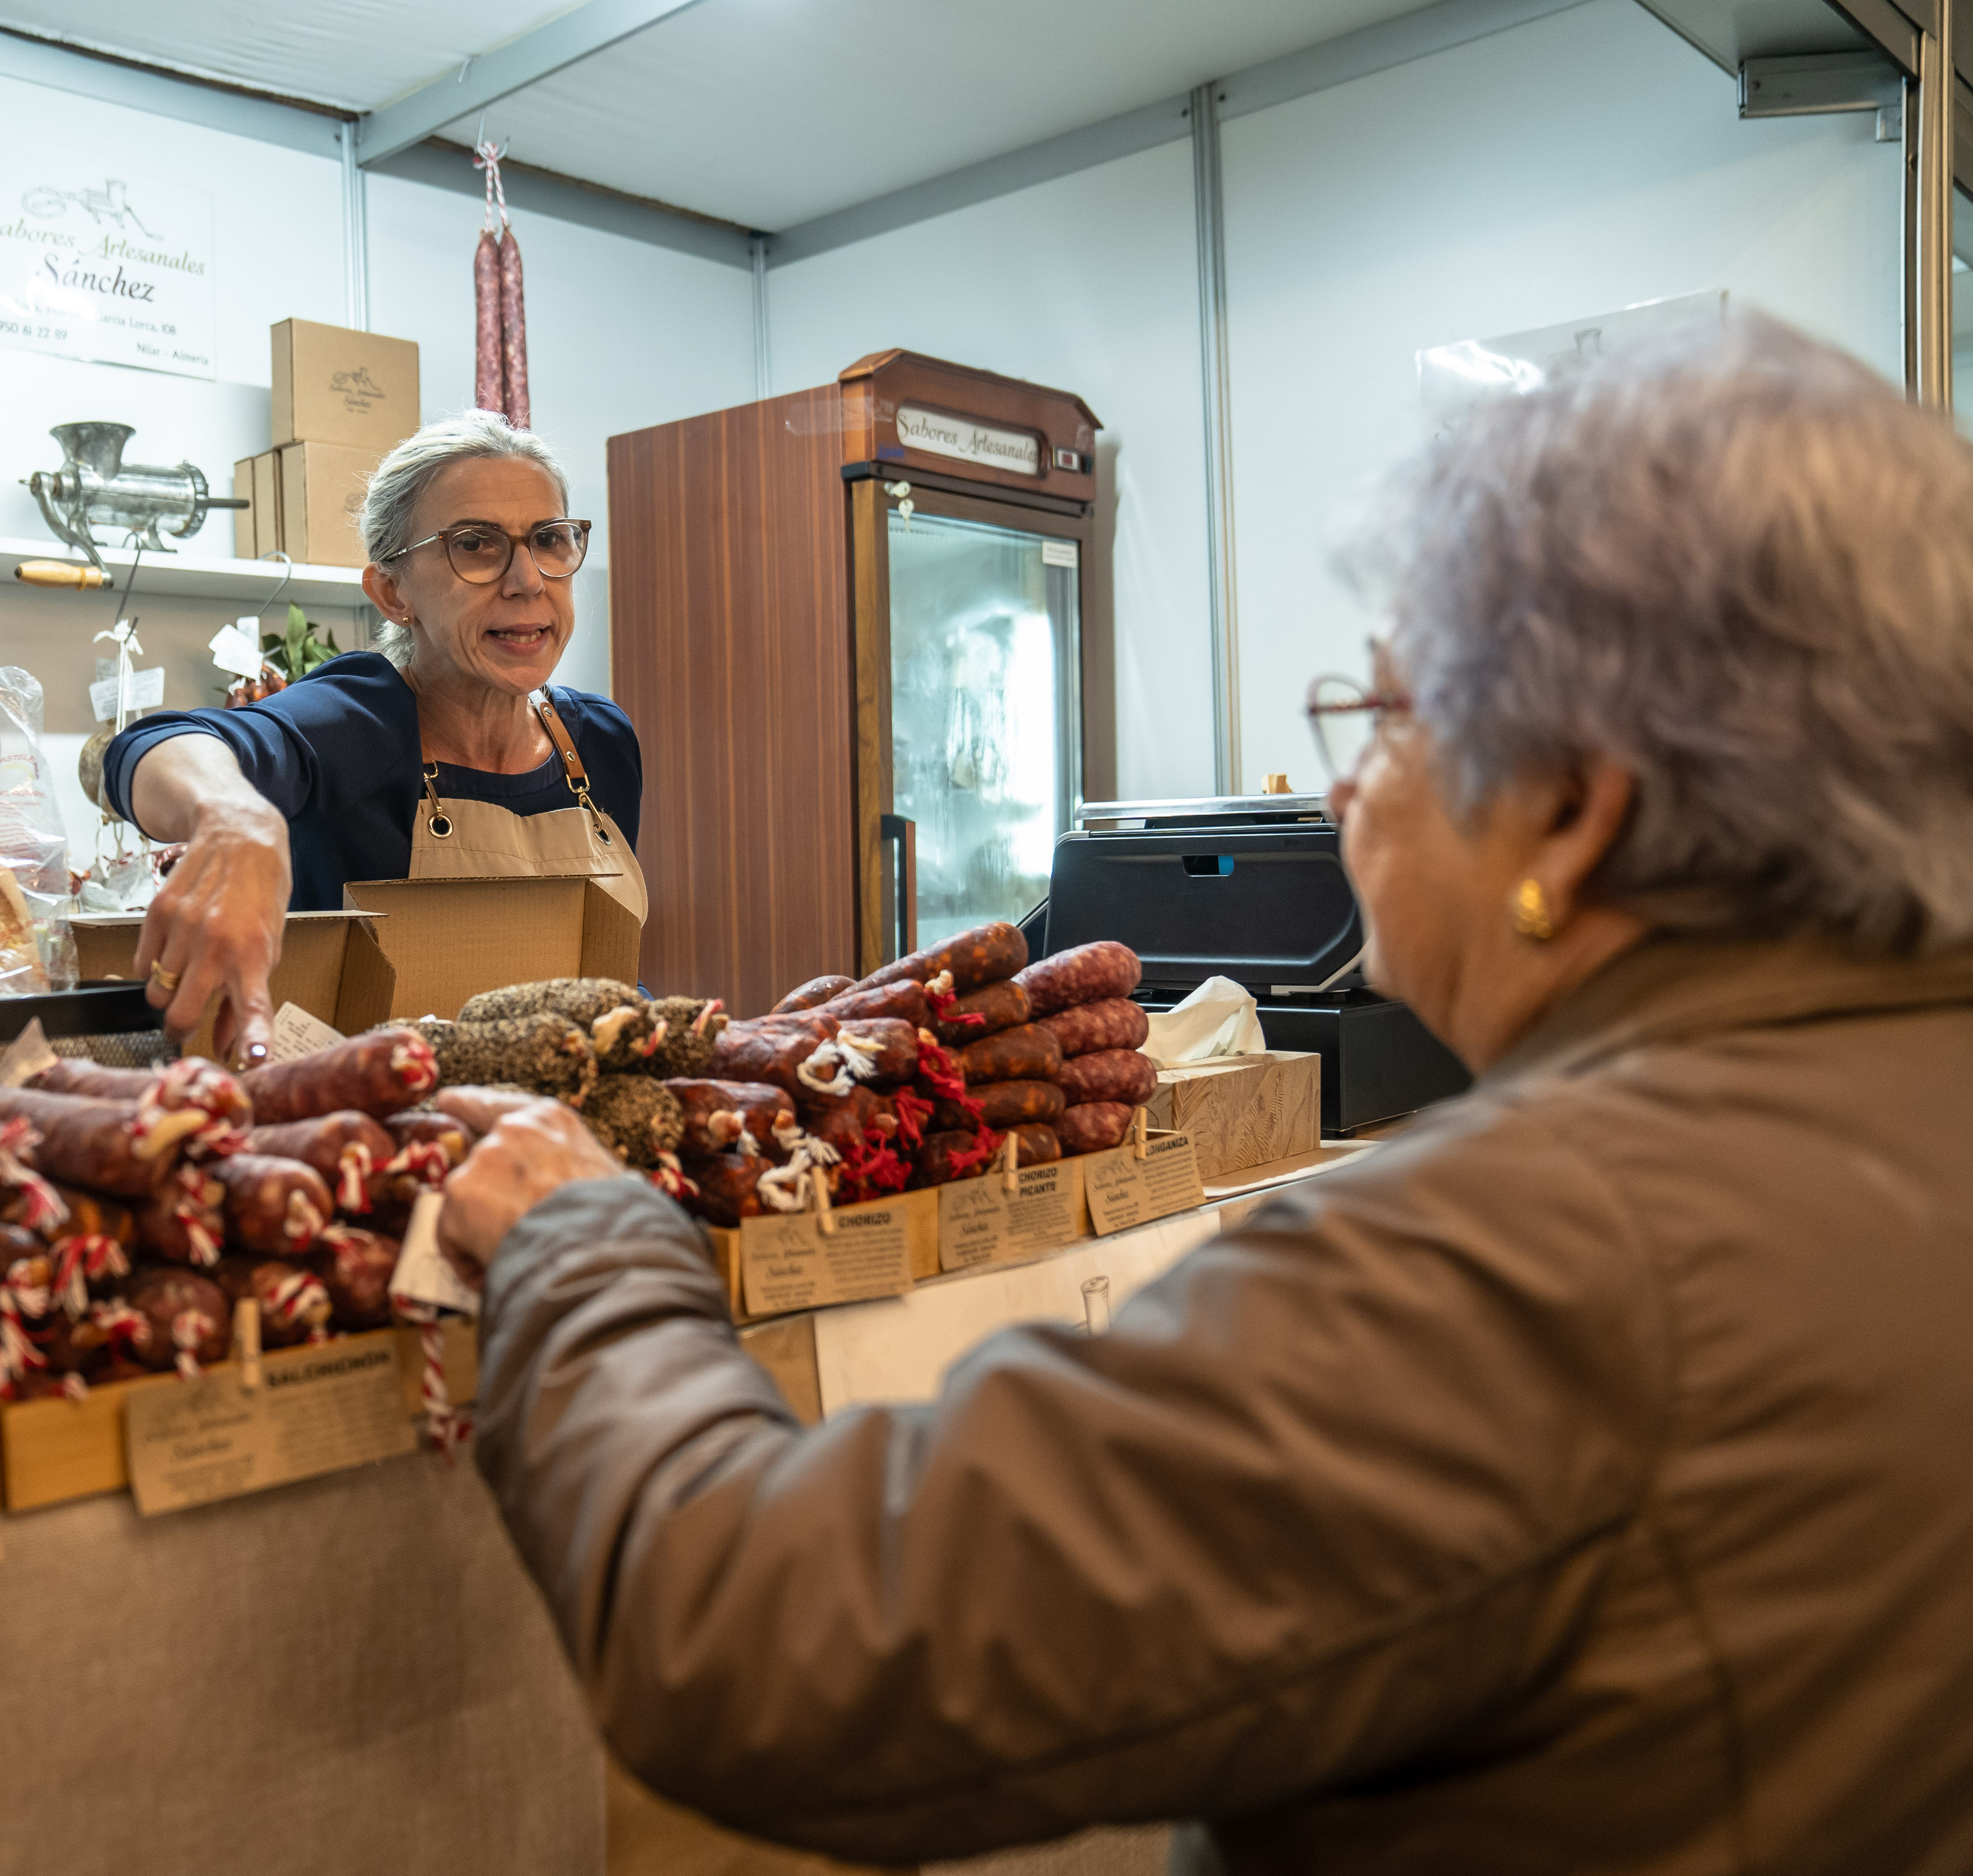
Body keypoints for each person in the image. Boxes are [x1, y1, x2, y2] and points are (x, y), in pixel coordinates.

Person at [435, 315, 1973, 1872]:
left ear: (1572, 812)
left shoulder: (1517, 1262)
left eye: (1376, 716)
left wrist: (580, 1242)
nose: (1342, 791)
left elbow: (757, 1631)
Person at [102, 411, 642, 1063]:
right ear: (391, 592)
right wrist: (231, 815)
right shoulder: (357, 720)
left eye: (549, 539)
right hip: (373, 1133)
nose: (528, 580)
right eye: (475, 544)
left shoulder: (598, 741)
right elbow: (151, 748)